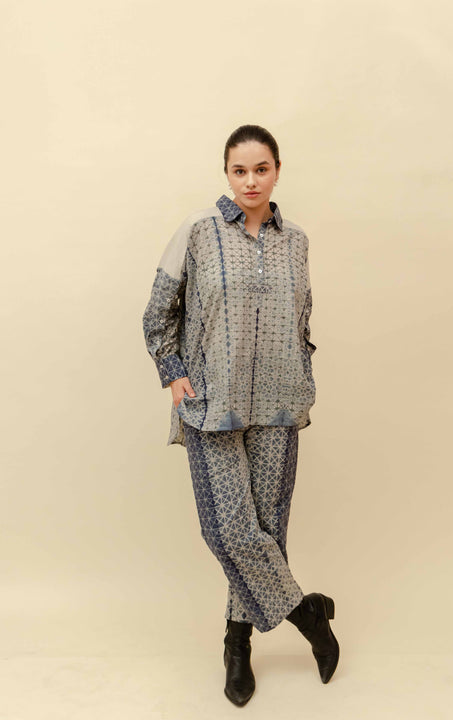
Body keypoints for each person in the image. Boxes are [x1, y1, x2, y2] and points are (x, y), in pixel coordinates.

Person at [142, 124, 339, 706]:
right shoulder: (198, 231)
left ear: (276, 170)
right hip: (211, 402)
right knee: (228, 529)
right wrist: (173, 372)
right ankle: (308, 614)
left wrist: (302, 371)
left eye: (261, 169)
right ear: (226, 173)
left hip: (280, 402)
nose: (250, 181)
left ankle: (237, 644)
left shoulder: (296, 240)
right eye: (239, 170)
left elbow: (302, 317)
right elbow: (158, 311)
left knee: (266, 530)